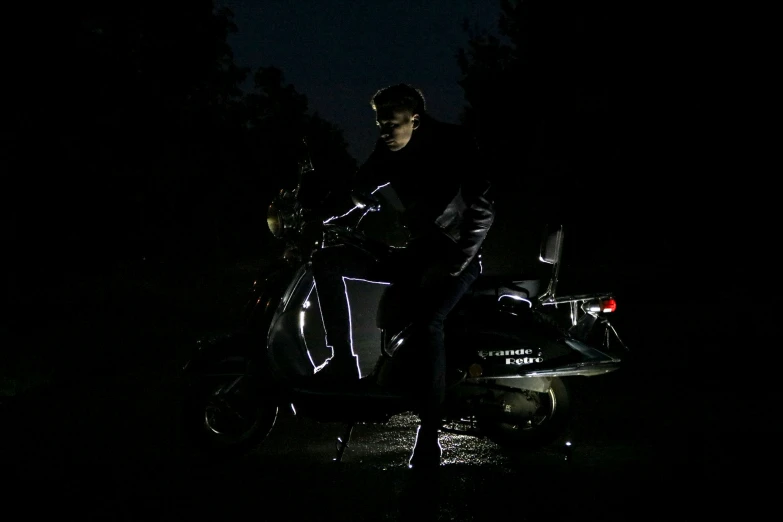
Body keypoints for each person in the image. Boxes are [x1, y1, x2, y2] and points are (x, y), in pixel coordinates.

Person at [309, 83, 495, 469]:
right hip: (415, 253)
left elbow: (482, 209)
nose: (384, 131)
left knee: (428, 324)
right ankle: (344, 361)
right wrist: (321, 215)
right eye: (379, 124)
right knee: (327, 263)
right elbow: (359, 185)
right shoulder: (387, 149)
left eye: (391, 124)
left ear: (415, 118)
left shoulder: (454, 143)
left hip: (455, 257)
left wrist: (455, 263)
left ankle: (429, 438)